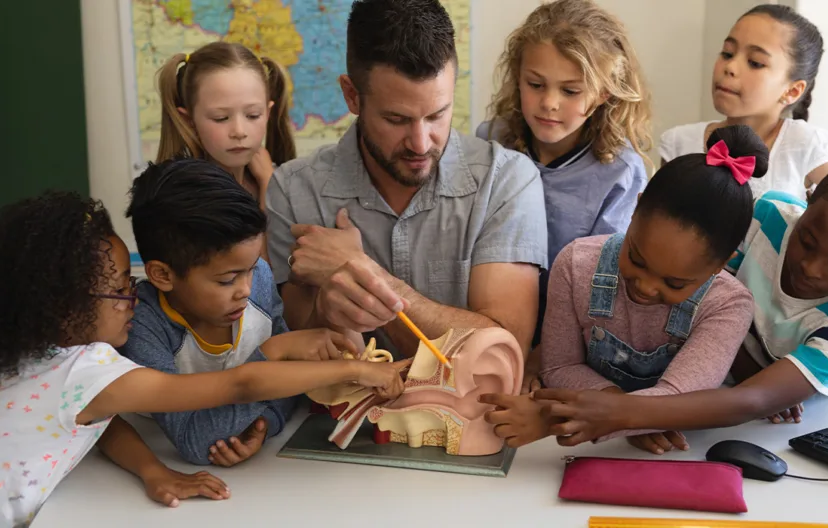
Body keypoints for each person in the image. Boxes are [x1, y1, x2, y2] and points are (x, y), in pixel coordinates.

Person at [0, 191, 407, 526]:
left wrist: (152, 471)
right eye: (120, 289)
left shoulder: (29, 356)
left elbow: (103, 423)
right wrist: (357, 368)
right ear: (66, 306)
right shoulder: (89, 369)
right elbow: (240, 384)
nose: (134, 298)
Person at [265, 0, 547, 384]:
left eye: (437, 115)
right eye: (396, 119)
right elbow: (293, 359)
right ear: (351, 96)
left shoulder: (508, 180)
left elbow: (502, 353)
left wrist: (361, 272)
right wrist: (324, 317)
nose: (420, 143)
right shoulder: (293, 191)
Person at [481, 125, 765, 454]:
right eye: (636, 258)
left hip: (686, 453)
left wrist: (589, 417)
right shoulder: (576, 265)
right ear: (635, 209)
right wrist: (619, 417)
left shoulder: (729, 305)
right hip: (602, 446)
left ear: (722, 263)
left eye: (674, 283)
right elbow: (559, 367)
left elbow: (681, 399)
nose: (645, 286)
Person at [530, 164, 828, 448]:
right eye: (807, 241)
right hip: (700, 391)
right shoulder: (765, 216)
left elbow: (752, 397)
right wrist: (637, 416)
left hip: (747, 417)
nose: (812, 268)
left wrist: (624, 415)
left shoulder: (729, 300)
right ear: (808, 200)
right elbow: (707, 306)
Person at [118, 158, 363, 467]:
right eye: (226, 280)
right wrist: (272, 354)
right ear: (162, 276)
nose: (246, 289)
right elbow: (195, 443)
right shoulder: (142, 323)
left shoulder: (256, 278)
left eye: (250, 269)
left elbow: (292, 388)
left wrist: (264, 424)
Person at [477, 0, 651, 362]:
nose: (549, 103)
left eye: (570, 91)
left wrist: (545, 357)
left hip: (575, 341)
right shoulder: (489, 141)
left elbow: (603, 285)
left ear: (604, 93)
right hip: (487, 325)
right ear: (517, 76)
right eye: (535, 84)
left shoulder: (620, 172)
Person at [659, 4, 828, 201]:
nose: (730, 67)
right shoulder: (680, 143)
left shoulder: (809, 147)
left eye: (755, 63)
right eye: (727, 53)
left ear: (792, 90)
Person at [155, 41, 296, 212]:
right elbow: (261, 239)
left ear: (267, 113)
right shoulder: (182, 198)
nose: (239, 132)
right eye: (220, 118)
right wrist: (268, 183)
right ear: (188, 120)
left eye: (253, 115)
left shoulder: (283, 178)